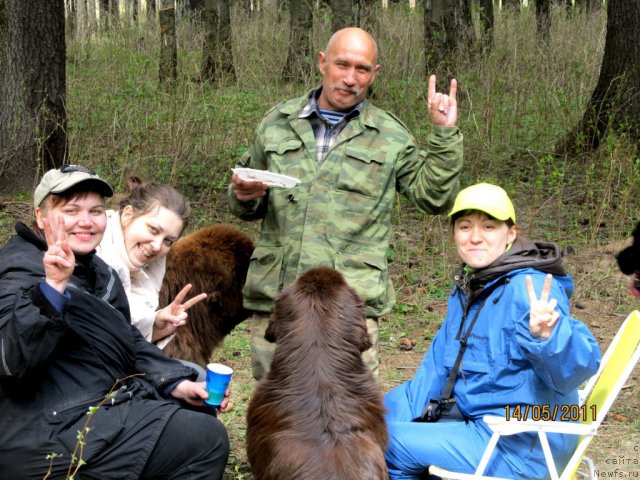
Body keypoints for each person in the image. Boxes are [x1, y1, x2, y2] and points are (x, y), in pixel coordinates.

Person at [228, 26, 464, 380]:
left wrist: (443, 135)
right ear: (323, 63)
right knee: (275, 412)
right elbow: (249, 199)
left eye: (362, 69)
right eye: (342, 65)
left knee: (347, 416)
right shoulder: (277, 124)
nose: (351, 78)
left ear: (374, 74)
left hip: (347, 305)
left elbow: (433, 197)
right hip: (282, 298)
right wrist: (242, 196)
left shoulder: (390, 135)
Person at [0, 165, 230, 479]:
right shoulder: (19, 267)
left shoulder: (99, 272)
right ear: (41, 217)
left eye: (95, 210)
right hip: (43, 428)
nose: (85, 220)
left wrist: (176, 381)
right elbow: (10, 361)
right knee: (204, 440)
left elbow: (129, 341)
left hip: (97, 405)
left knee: (197, 402)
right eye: (71, 210)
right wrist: (51, 289)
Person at [383, 183, 602, 479]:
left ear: (511, 234)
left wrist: (548, 338)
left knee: (387, 445)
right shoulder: (473, 289)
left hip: (524, 444)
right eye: (464, 227)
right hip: (480, 426)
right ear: (454, 234)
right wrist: (368, 412)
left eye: (489, 227)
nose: (475, 237)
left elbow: (576, 370)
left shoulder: (530, 288)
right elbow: (435, 372)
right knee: (369, 432)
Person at [96, 176, 207, 349]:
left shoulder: (149, 270)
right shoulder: (95, 257)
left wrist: (157, 326)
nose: (157, 246)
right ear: (127, 216)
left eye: (168, 241)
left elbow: (122, 339)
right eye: (153, 229)